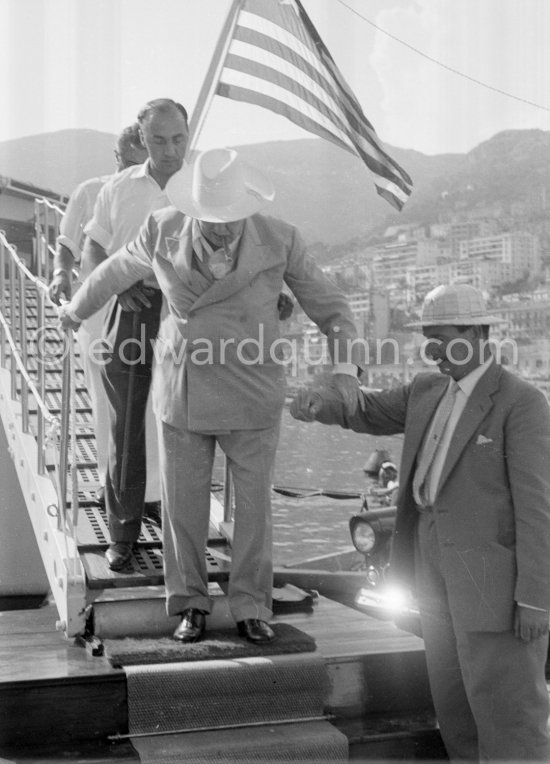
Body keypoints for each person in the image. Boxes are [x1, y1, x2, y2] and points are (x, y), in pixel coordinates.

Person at [58, 147, 364, 644]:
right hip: (183, 390)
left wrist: (345, 370)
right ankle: (189, 604)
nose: (221, 229)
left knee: (253, 511)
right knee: (183, 508)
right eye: (211, 219)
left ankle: (250, 606)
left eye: (230, 220)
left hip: (253, 392)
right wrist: (75, 308)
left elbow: (333, 310)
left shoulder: (281, 238)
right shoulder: (161, 228)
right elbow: (116, 270)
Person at [290, 283, 550, 762]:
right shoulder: (426, 390)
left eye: (443, 336)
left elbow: (538, 509)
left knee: (509, 712)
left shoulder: (522, 403)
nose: (432, 349)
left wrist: (535, 599)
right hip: (432, 563)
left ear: (478, 334)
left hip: (490, 576)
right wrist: (319, 404)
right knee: (451, 701)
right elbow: (366, 409)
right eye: (427, 337)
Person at [80, 98, 189, 570]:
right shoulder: (119, 189)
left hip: (187, 316)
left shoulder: (206, 185)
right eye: (160, 140)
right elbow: (93, 249)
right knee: (126, 427)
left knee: (187, 424)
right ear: (141, 139)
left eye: (179, 139)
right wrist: (116, 287)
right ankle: (122, 535)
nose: (170, 150)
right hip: (132, 310)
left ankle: (180, 534)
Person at [48, 124, 147, 504]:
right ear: (117, 158)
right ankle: (115, 490)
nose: (132, 172)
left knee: (152, 407)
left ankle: (151, 493)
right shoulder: (91, 191)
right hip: (99, 308)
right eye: (128, 163)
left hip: (149, 312)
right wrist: (60, 273)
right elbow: (68, 245)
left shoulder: (159, 193)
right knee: (108, 403)